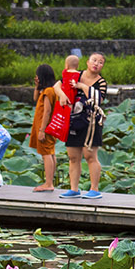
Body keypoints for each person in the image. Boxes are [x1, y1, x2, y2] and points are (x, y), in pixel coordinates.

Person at [60, 52, 107, 199]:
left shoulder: (101, 82)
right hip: (74, 120)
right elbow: (58, 84)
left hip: (91, 122)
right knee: (73, 156)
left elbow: (98, 99)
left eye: (100, 62)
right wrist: (61, 94)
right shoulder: (76, 74)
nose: (96, 64)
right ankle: (74, 189)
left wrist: (81, 86)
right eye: (94, 60)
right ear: (87, 62)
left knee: (90, 155)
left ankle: (94, 189)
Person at [29, 63, 60, 192]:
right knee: (50, 153)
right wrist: (37, 86)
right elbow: (35, 98)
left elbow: (47, 111)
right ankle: (50, 181)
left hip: (45, 127)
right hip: (48, 127)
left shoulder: (48, 91)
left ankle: (48, 183)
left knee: (46, 154)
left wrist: (42, 130)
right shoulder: (50, 90)